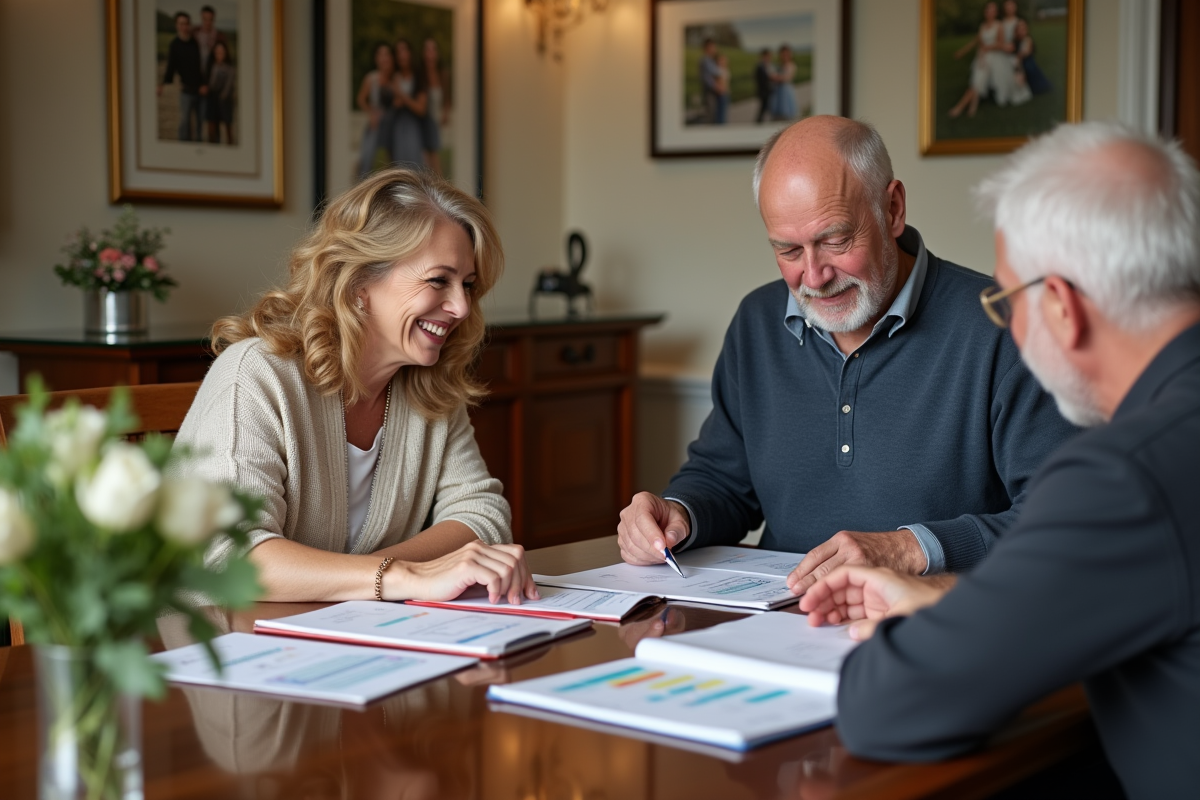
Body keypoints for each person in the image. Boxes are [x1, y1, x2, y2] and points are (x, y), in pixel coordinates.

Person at [801, 122, 1200, 799]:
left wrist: (946, 626)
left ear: (1062, 309)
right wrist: (960, 599)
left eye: (1007, 302)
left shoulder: (1122, 476)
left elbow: (888, 707)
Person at [616, 116, 1075, 593]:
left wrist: (907, 550)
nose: (813, 277)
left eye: (835, 241)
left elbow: (1066, 516)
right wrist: (678, 514)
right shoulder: (757, 321)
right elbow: (724, 481)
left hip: (935, 624)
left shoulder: (1004, 326)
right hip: (778, 624)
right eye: (788, 250)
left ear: (892, 209)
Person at [175, 168, 535, 605]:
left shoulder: (428, 387)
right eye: (439, 280)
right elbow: (227, 554)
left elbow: (483, 514)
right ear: (360, 282)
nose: (460, 306)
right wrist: (398, 578)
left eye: (468, 285)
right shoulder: (255, 375)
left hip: (351, 639)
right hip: (223, 644)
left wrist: (381, 578)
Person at [948, 2, 1015, 118]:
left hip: (994, 58)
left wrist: (988, 48)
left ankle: (959, 107)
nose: (989, 12)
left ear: (996, 13)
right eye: (988, 10)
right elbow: (975, 42)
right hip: (982, 57)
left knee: (977, 82)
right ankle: (973, 106)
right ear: (985, 12)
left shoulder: (998, 25)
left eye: (992, 10)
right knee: (976, 80)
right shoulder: (982, 26)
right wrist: (962, 52)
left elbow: (1000, 44)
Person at [157, 11, 203, 141]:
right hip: (186, 89)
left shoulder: (194, 43)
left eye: (186, 23)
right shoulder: (175, 45)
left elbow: (200, 65)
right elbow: (171, 67)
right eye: (181, 24)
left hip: (199, 88)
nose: (184, 26)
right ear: (177, 25)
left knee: (200, 122)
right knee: (185, 122)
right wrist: (162, 84)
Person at [356, 43, 398, 178]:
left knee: (393, 160)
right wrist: (371, 112)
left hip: (392, 123)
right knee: (367, 157)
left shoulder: (396, 78)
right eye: (380, 54)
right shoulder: (371, 78)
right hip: (376, 123)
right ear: (376, 58)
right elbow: (361, 99)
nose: (383, 58)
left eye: (386, 54)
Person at [391, 39, 429, 170]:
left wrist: (402, 95)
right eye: (398, 52)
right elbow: (393, 104)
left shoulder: (418, 77)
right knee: (398, 167)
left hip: (414, 127)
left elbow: (421, 108)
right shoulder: (394, 76)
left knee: (415, 166)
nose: (401, 55)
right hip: (398, 126)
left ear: (410, 53)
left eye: (404, 51)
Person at [193, 4, 227, 143]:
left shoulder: (218, 36)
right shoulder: (195, 35)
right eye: (205, 19)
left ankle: (215, 143)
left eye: (210, 19)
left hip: (213, 82)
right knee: (199, 115)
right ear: (202, 18)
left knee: (214, 117)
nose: (207, 22)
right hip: (197, 81)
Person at [421, 37, 450, 176]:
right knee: (427, 157)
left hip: (436, 118)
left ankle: (438, 181)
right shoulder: (420, 74)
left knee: (434, 156)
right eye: (428, 50)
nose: (430, 53)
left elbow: (446, 96)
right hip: (423, 120)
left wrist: (445, 113)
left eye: (433, 50)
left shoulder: (442, 74)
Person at [204, 40, 236, 145]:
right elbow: (211, 84)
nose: (219, 54)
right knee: (212, 125)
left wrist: (223, 97)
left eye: (221, 52)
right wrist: (216, 67)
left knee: (227, 126)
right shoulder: (212, 66)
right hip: (213, 98)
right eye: (217, 52)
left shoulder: (230, 68)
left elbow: (228, 86)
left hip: (225, 99)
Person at [769, 46, 798, 120]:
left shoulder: (791, 65)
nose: (784, 56)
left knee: (786, 111)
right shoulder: (779, 65)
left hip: (786, 90)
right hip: (778, 90)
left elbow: (788, 77)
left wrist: (777, 77)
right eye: (783, 54)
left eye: (786, 54)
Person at [699, 39, 720, 124]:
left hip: (715, 91)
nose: (715, 49)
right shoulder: (704, 60)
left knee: (714, 114)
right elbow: (706, 78)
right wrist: (716, 87)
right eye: (713, 47)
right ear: (707, 48)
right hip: (710, 92)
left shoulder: (712, 60)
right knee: (711, 115)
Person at [754, 48, 774, 124]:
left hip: (767, 91)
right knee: (763, 107)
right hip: (763, 91)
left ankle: (760, 121)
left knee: (765, 107)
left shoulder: (766, 66)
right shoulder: (760, 67)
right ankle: (759, 122)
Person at [713, 53, 731, 125]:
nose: (723, 61)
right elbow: (720, 82)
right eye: (721, 60)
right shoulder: (718, 70)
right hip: (722, 93)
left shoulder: (725, 69)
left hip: (726, 92)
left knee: (724, 112)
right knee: (721, 113)